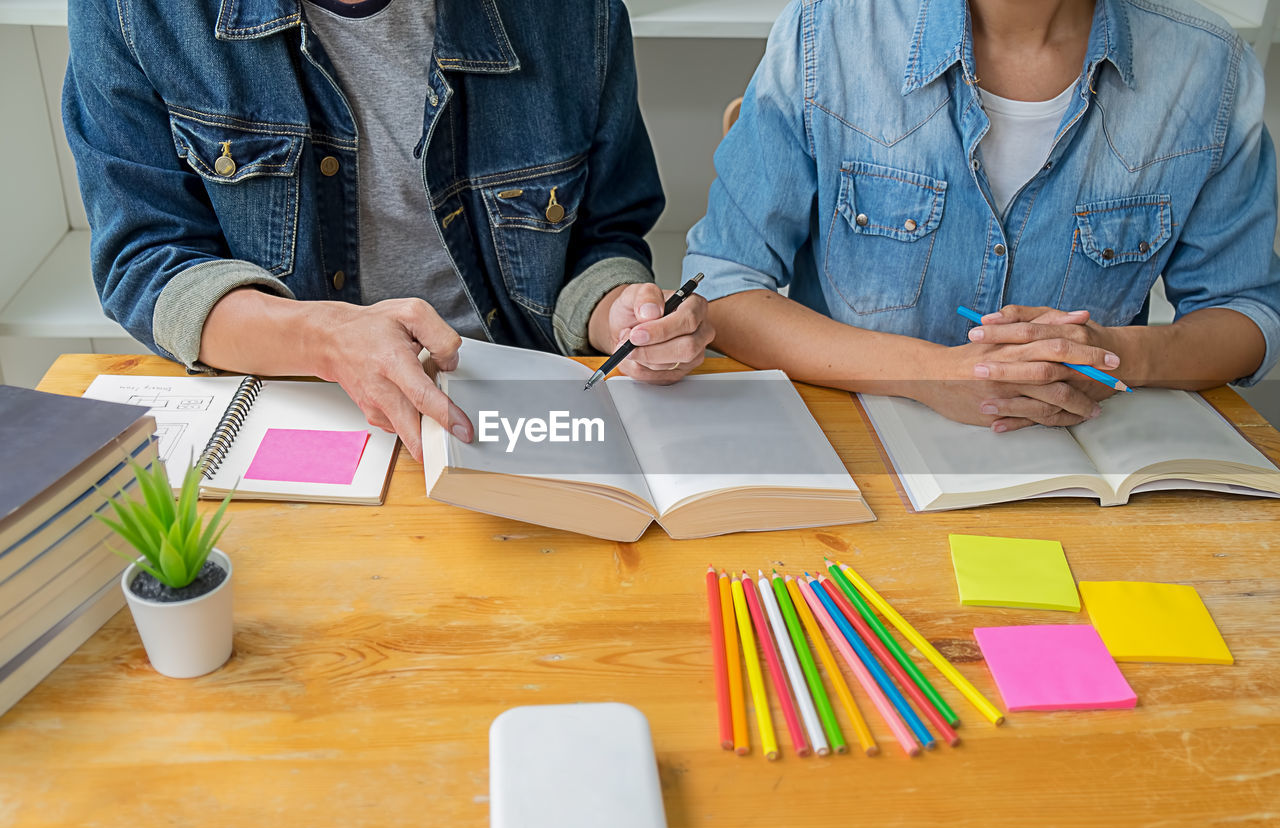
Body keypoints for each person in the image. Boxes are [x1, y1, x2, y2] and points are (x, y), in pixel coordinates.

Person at [63, 0, 713, 461]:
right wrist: (324, 340)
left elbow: (606, 234)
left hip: (517, 417)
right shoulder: (134, 12)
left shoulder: (574, 15)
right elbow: (145, 258)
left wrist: (620, 313)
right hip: (298, 406)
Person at [685, 0, 1280, 432]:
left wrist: (1110, 353)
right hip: (855, 449)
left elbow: (1248, 314)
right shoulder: (825, 33)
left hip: (1081, 462)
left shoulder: (1209, 68)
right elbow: (724, 287)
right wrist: (932, 373)